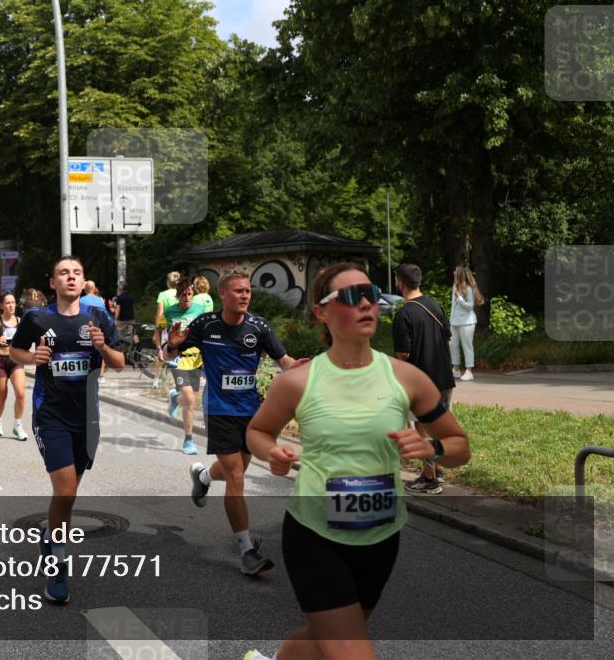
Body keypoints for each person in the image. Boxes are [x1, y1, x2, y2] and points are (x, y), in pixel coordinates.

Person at [244, 262, 470, 660]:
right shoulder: (298, 381)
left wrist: (431, 450)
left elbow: (459, 445)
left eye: (372, 293)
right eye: (351, 296)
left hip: (381, 537)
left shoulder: (406, 378)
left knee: (325, 635)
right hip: (314, 535)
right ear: (322, 312)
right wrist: (271, 453)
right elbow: (257, 432)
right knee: (349, 648)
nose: (367, 303)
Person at [165, 270, 307, 575]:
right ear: (224, 295)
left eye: (248, 291)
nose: (245, 296)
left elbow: (285, 362)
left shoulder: (259, 326)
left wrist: (302, 368)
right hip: (218, 409)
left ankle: (203, 478)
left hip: (251, 412)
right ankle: (247, 551)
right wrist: (172, 344)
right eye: (239, 291)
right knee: (236, 477)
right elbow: (171, 350)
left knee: (237, 468)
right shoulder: (206, 325)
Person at [9, 256, 124, 602]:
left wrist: (103, 346)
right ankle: (58, 567)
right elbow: (15, 350)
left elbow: (119, 363)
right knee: (66, 491)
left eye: (76, 273)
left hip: (87, 419)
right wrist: (33, 359)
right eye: (64, 273)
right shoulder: (37, 317)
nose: (71, 278)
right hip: (51, 415)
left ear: (83, 281)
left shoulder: (98, 316)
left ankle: (50, 538)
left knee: (70, 494)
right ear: (53, 283)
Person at [392, 263, 456, 495]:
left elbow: (404, 354)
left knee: (422, 430)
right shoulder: (435, 306)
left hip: (421, 383)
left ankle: (430, 480)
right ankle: (436, 470)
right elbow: (447, 336)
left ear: (400, 282)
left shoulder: (404, 314)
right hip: (444, 378)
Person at [154, 277, 207, 455]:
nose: (187, 297)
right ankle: (188, 440)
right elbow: (158, 329)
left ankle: (174, 398)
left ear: (193, 293)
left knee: (189, 399)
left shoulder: (200, 309)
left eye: (189, 294)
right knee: (191, 401)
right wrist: (159, 348)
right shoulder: (169, 312)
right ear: (178, 296)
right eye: (183, 295)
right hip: (177, 359)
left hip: (196, 359)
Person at [0, 292, 28, 440]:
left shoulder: (21, 321)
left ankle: (18, 425)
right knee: (2, 395)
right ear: (1, 305)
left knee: (20, 393)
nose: (11, 305)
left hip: (15, 361)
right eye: (7, 303)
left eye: (13, 302)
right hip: (0, 362)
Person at [450, 265, 483, 381]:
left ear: (459, 274)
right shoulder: (455, 286)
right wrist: (451, 320)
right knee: (452, 344)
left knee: (466, 346)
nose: (454, 272)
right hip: (454, 322)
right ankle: (456, 369)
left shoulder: (468, 289)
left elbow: (470, 307)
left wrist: (459, 297)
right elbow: (453, 306)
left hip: (467, 322)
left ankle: (469, 371)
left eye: (455, 271)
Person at [153, 271, 180, 388]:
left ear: (168, 282)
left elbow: (160, 314)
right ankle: (176, 381)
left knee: (162, 355)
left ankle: (156, 381)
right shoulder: (183, 294)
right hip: (180, 327)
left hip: (166, 328)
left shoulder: (163, 295)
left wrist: (156, 330)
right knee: (178, 355)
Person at [112, 282, 135, 346]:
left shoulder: (119, 298)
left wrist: (115, 319)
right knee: (130, 335)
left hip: (122, 321)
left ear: (120, 289)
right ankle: (132, 348)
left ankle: (121, 350)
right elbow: (132, 308)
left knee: (120, 337)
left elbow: (118, 310)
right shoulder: (131, 297)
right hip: (131, 319)